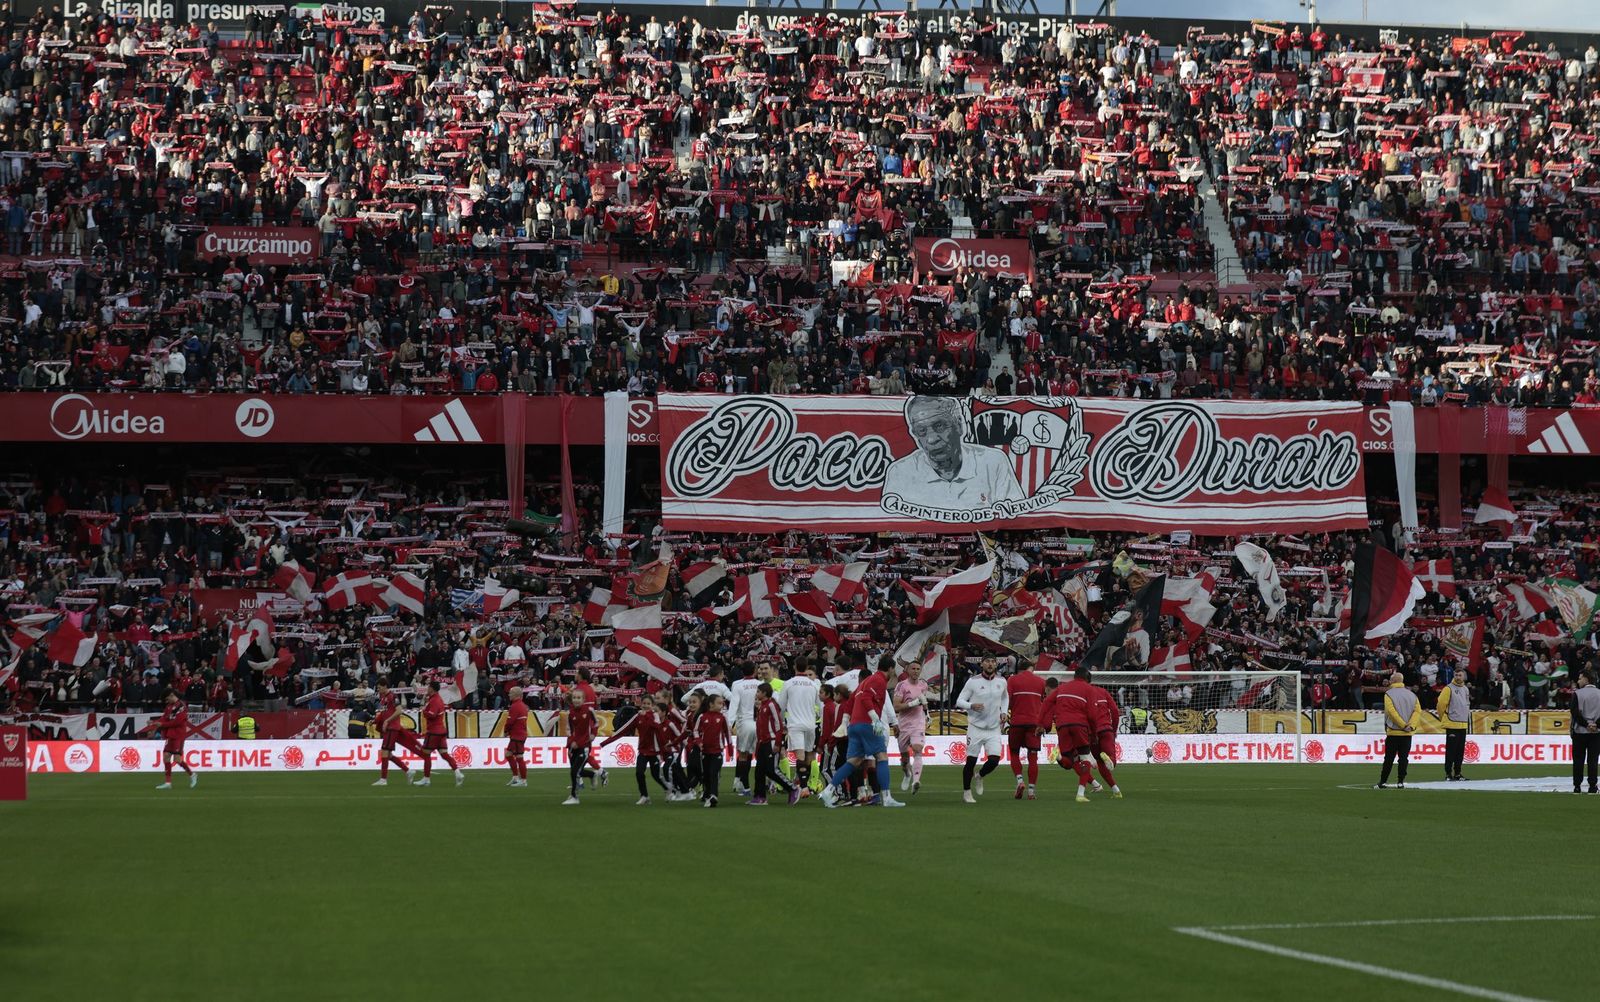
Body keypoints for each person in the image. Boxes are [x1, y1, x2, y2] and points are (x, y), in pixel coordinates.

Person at [880, 396, 1025, 512]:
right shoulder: (900, 472)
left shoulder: (993, 462)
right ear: (915, 435)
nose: (931, 439)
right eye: (921, 431)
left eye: (939, 426)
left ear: (959, 425)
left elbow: (1014, 515)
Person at [820, 657, 904, 808]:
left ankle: (828, 790)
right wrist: (875, 719)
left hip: (854, 726)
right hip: (868, 725)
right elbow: (866, 698)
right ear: (891, 668)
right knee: (882, 757)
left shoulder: (864, 682)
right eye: (894, 669)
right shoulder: (878, 680)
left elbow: (850, 702)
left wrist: (845, 723)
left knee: (854, 761)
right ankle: (887, 797)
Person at [956, 657, 1008, 804]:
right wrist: (971, 706)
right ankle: (967, 793)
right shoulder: (973, 681)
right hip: (976, 727)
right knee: (971, 761)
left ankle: (979, 776)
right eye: (987, 661)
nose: (990, 664)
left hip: (994, 728)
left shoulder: (1002, 681)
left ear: (996, 664)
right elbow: (959, 701)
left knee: (994, 761)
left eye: (993, 662)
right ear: (982, 664)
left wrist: (1004, 712)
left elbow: (1005, 698)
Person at [1043, 667, 1099, 802]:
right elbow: (1092, 715)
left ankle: (1096, 784)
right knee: (1083, 760)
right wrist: (1093, 732)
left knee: (1070, 763)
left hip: (1062, 728)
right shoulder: (1086, 690)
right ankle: (1081, 793)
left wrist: (1043, 726)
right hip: (1078, 727)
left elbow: (1047, 710)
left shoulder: (1061, 692)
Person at [602, 692, 665, 805]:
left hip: (654, 751)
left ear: (652, 705)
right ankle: (644, 796)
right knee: (639, 773)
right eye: (644, 703)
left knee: (656, 776)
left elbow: (657, 727)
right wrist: (605, 742)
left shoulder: (655, 716)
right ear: (641, 704)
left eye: (648, 704)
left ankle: (669, 789)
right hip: (643, 751)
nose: (646, 705)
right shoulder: (637, 716)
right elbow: (623, 730)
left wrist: (646, 715)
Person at [776, 662, 822, 793]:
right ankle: (806, 784)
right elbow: (821, 705)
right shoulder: (813, 684)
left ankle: (803, 787)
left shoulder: (788, 683)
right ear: (806, 667)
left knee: (800, 755)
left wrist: (782, 723)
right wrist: (821, 722)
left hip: (795, 724)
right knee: (809, 755)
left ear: (795, 667)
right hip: (811, 724)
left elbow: (781, 706)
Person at [751, 683, 800, 805]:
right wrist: (758, 744)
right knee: (759, 771)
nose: (756, 694)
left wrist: (778, 743)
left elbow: (779, 724)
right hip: (763, 742)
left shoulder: (771, 705)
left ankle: (793, 788)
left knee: (772, 770)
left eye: (758, 691)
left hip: (771, 741)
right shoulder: (762, 706)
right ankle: (760, 797)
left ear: (764, 693)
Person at [1006, 659, 1047, 799]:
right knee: (1033, 757)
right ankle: (1031, 791)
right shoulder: (1041, 681)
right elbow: (1044, 703)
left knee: (1014, 753)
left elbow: (1008, 701)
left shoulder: (1012, 680)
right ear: (1031, 668)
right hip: (1034, 723)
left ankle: (1020, 781)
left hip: (1017, 722)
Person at [414, 681, 465, 788]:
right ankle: (458, 773)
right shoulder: (435, 699)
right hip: (440, 731)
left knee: (426, 754)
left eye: (428, 687)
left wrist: (424, 711)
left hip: (434, 732)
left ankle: (426, 779)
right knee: (444, 754)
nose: (427, 689)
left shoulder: (435, 700)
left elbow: (432, 715)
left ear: (432, 688)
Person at [892, 658, 931, 794]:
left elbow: (923, 701)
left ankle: (916, 781)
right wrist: (912, 704)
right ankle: (907, 774)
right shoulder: (901, 686)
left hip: (918, 723)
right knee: (904, 759)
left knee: (917, 749)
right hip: (904, 724)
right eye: (913, 669)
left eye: (918, 669)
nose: (915, 671)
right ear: (907, 670)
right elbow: (896, 707)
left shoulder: (923, 685)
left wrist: (927, 714)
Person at [1377, 672, 1421, 789]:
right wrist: (1410, 725)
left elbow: (1391, 712)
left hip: (1393, 732)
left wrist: (1402, 725)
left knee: (1389, 758)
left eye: (1390, 679)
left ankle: (1383, 781)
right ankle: (1400, 781)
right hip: (1407, 733)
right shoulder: (1412, 695)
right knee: (1403, 758)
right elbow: (1417, 711)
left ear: (1393, 681)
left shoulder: (1389, 694)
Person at [373, 681, 422, 786]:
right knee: (388, 754)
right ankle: (408, 771)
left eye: (379, 687)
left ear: (385, 686)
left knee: (385, 752)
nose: (378, 689)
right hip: (389, 728)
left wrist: (387, 721)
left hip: (392, 728)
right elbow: (385, 713)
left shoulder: (392, 696)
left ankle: (383, 779)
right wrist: (375, 720)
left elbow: (399, 710)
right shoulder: (383, 698)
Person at [150, 690, 197, 790]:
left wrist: (162, 724)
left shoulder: (181, 706)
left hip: (178, 735)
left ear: (172, 696)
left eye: (167, 699)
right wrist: (154, 722)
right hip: (170, 735)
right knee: (166, 757)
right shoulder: (169, 706)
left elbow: (177, 722)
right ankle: (168, 783)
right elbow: (164, 718)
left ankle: (192, 775)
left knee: (177, 759)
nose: (167, 701)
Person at [728, 661, 762, 797]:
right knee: (760, 756)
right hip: (759, 723)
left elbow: (733, 706)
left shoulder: (737, 685)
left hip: (744, 723)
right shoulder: (761, 684)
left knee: (743, 755)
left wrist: (729, 724)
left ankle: (745, 787)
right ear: (755, 670)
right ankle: (762, 786)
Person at [563, 689, 600, 805]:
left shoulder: (589, 710)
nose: (576, 700)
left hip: (585, 745)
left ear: (583, 700)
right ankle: (592, 774)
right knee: (576, 771)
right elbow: (570, 730)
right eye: (574, 698)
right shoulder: (570, 713)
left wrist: (593, 734)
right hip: (573, 746)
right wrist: (571, 743)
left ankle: (574, 797)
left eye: (579, 698)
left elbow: (596, 722)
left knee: (575, 771)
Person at [696, 694, 733, 807]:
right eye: (719, 703)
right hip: (705, 751)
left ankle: (713, 796)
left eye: (722, 703)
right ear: (711, 704)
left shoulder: (722, 717)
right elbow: (695, 731)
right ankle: (707, 795)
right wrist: (699, 742)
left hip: (717, 751)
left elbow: (728, 733)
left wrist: (730, 749)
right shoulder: (702, 717)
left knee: (714, 773)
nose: (722, 705)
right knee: (706, 775)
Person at [1436, 667, 1471, 781]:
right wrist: (1443, 717)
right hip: (1452, 723)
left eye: (1460, 675)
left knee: (1460, 752)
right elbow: (1440, 704)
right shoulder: (1448, 688)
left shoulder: (1465, 689)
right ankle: (1448, 774)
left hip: (1462, 724)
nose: (1458, 677)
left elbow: (1466, 704)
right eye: (1456, 675)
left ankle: (1458, 773)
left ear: (1464, 676)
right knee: (1451, 751)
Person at [1089, 682, 1123, 798]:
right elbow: (1115, 711)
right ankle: (1110, 760)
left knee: (1099, 762)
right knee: (1111, 760)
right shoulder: (1103, 692)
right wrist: (1114, 730)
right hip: (1106, 729)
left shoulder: (1083, 693)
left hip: (1092, 733)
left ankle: (1115, 790)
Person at [1570, 670, 1600, 795]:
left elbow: (1575, 713)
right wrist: (1596, 724)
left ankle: (1577, 786)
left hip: (1580, 731)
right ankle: (1592, 786)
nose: (1578, 681)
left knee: (1578, 760)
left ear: (1586, 679)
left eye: (1580, 678)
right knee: (1593, 760)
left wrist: (1586, 724)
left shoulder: (1577, 694)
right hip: (1596, 733)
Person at [504, 686, 530, 788]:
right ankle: (516, 778)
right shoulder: (522, 705)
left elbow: (510, 721)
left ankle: (523, 781)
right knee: (509, 755)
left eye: (511, 693)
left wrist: (506, 731)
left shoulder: (515, 706)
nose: (509, 694)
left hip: (517, 735)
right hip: (520, 734)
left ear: (516, 695)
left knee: (519, 757)